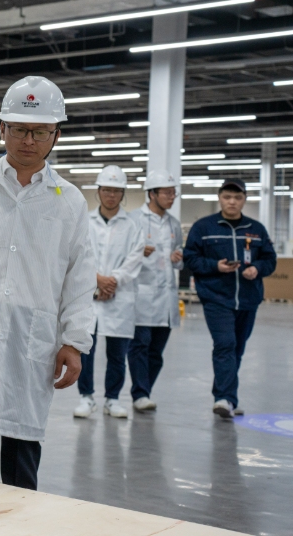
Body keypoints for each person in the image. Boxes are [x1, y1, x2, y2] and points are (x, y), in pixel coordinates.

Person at [0, 76, 96, 490]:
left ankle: (22, 519)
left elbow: (79, 276)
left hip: (31, 341)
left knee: (21, 457)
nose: (29, 140)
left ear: (56, 135)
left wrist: (74, 341)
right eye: (19, 129)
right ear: (2, 129)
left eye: (40, 131)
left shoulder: (69, 201)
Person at [183, 178, 276, 419]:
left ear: (244, 200)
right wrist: (215, 266)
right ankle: (222, 398)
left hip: (247, 299)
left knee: (237, 348)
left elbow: (270, 259)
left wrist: (257, 268)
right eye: (227, 197)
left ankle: (229, 399)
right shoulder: (203, 228)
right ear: (219, 198)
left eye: (237, 197)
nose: (232, 202)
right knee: (225, 343)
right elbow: (190, 259)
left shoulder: (256, 229)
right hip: (216, 297)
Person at [75, 165, 145, 420]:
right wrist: (97, 279)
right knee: (85, 349)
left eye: (116, 191)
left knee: (117, 353)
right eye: (106, 190)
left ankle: (112, 399)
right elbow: (78, 253)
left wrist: (112, 281)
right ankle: (86, 397)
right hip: (89, 295)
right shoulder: (85, 221)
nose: (111, 195)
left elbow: (135, 258)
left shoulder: (133, 225)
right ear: (98, 191)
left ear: (123, 193)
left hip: (118, 296)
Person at [127, 170, 183, 412]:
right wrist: (137, 252)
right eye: (167, 193)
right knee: (139, 346)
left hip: (166, 298)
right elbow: (120, 255)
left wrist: (178, 258)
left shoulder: (174, 224)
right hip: (141, 295)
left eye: (173, 193)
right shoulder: (132, 220)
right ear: (152, 194)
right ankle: (140, 394)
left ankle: (144, 392)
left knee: (156, 353)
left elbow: (178, 259)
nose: (171, 197)